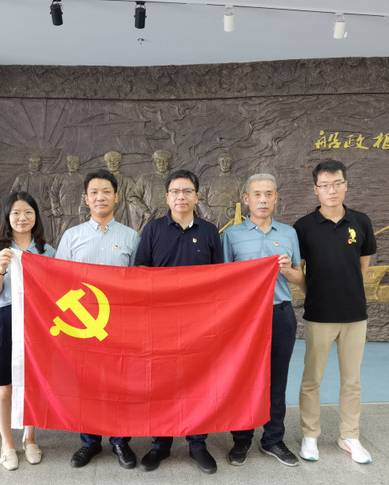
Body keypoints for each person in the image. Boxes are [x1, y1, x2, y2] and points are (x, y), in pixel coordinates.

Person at [134, 169, 224, 475]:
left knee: (199, 381)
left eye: (187, 191)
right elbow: (140, 272)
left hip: (199, 323)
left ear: (197, 196)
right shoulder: (153, 229)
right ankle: (160, 443)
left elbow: (220, 277)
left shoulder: (210, 231)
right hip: (160, 322)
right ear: (167, 197)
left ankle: (197, 443)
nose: (180, 196)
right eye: (175, 191)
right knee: (162, 382)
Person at [55, 170, 141, 470]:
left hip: (119, 324)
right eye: (94, 192)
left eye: (106, 192)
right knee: (86, 384)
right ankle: (89, 442)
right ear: (86, 198)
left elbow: (139, 281)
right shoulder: (72, 236)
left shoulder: (131, 236)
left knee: (120, 383)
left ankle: (120, 440)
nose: (100, 197)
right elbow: (58, 280)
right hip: (83, 325)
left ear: (116, 197)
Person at [293, 159, 377, 464]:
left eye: (337, 184)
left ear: (346, 185)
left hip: (355, 315)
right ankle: (310, 435)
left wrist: (346, 289)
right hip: (319, 315)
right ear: (316, 189)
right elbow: (300, 272)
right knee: (311, 379)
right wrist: (315, 293)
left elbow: (362, 266)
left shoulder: (361, 222)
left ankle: (349, 436)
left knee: (352, 380)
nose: (332, 190)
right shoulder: (303, 227)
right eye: (325, 185)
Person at [222, 173, 305, 467]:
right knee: (243, 379)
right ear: (246, 199)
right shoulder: (231, 235)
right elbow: (222, 280)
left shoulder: (289, 234)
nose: (263, 200)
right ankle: (241, 438)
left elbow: (300, 278)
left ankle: (273, 439)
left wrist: (288, 270)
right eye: (257, 194)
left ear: (276, 198)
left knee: (276, 380)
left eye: (269, 194)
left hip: (280, 314)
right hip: (244, 319)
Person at [0, 191, 56, 470]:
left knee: (32, 383)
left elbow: (54, 291)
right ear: (7, 217)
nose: (22, 218)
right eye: (16, 213)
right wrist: (0, 270)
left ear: (36, 217)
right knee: (4, 387)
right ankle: (7, 443)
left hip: (36, 321)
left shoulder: (47, 251)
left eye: (28, 213)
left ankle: (30, 438)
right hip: (4, 319)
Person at [11, 154, 54, 244]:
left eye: (36, 162)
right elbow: (13, 193)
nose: (34, 165)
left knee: (47, 237)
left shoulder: (47, 179)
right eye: (32, 162)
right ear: (29, 163)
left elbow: (54, 195)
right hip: (24, 211)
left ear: (40, 164)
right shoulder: (21, 178)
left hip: (42, 211)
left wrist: (47, 207)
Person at [197, 154, 243, 229]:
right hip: (213, 216)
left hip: (231, 216)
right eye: (222, 162)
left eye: (228, 162)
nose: (225, 164)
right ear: (218, 163)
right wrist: (207, 213)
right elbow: (200, 198)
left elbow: (244, 200)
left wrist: (237, 213)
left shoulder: (238, 180)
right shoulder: (209, 180)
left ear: (231, 163)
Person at [102, 151, 145, 231]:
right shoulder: (98, 181)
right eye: (110, 160)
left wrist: (143, 211)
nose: (112, 163)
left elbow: (133, 198)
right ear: (106, 163)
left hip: (120, 216)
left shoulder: (127, 181)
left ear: (119, 163)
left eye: (115, 160)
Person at [134, 149, 172, 231]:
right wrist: (145, 211)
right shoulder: (145, 179)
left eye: (164, 161)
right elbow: (133, 196)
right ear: (154, 163)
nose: (162, 164)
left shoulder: (176, 179)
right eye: (159, 161)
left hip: (170, 217)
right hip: (151, 215)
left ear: (168, 163)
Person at [50, 155, 85, 243]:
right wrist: (55, 206)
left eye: (74, 163)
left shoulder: (83, 178)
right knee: (61, 235)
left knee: (78, 236)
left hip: (78, 213)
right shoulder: (60, 178)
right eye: (70, 163)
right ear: (67, 164)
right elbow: (53, 192)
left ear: (78, 164)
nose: (72, 165)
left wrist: (85, 211)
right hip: (63, 212)